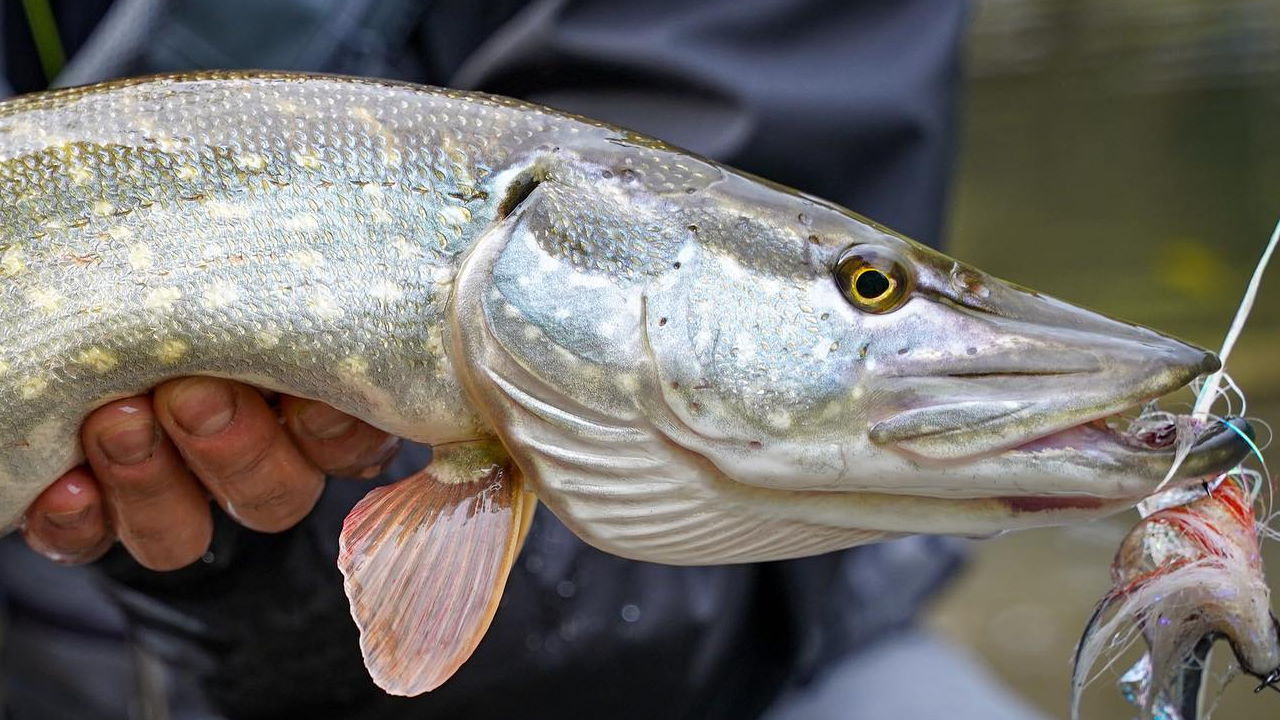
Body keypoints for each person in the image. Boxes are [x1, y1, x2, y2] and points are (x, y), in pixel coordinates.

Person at [2, 1, 1049, 718]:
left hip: (720, 645)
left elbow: (662, 622)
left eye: (867, 286)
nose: (872, 298)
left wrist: (252, 556)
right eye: (869, 287)